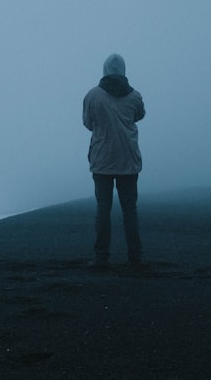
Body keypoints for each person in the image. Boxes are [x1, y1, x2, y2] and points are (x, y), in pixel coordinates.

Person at [82, 53, 146, 269]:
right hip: (128, 158)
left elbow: (88, 123)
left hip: (102, 159)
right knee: (129, 209)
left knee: (103, 208)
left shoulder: (93, 95)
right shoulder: (134, 96)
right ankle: (135, 257)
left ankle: (101, 257)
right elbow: (139, 115)